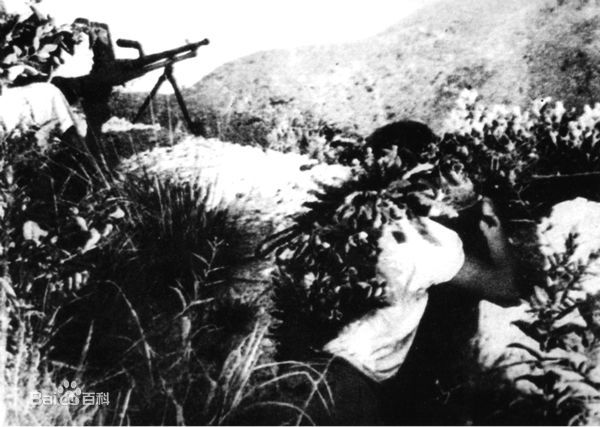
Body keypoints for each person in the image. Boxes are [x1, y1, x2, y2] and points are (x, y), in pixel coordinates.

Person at [302, 120, 522, 425]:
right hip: (351, 385)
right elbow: (506, 289)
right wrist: (494, 229)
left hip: (302, 365)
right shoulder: (426, 240)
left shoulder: (338, 218)